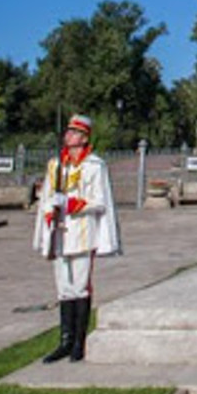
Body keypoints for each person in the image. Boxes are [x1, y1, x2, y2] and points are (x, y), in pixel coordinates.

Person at [32, 114, 121, 363]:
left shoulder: (94, 165)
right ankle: (65, 341)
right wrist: (49, 211)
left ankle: (79, 343)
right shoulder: (56, 165)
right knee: (63, 288)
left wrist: (73, 203)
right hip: (59, 233)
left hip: (82, 232)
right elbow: (47, 196)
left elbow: (100, 200)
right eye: (68, 132)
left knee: (80, 286)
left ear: (83, 138)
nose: (67, 135)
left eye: (73, 132)